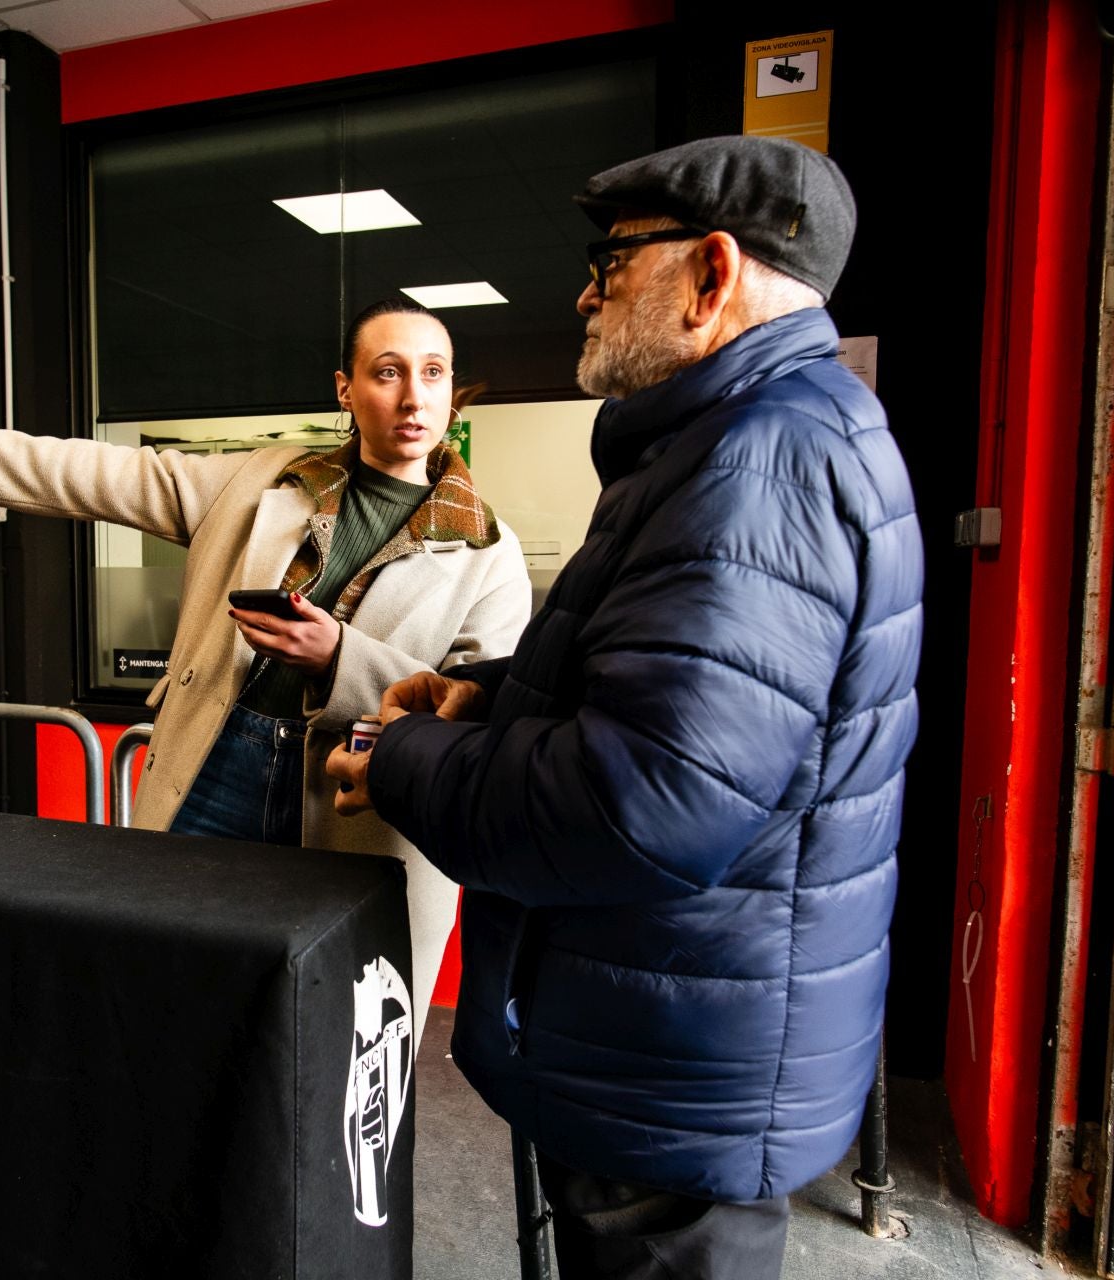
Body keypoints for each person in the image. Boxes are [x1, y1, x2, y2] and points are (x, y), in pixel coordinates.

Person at [327, 136, 923, 1278]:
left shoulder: (762, 462)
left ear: (710, 274)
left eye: (613, 259)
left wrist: (407, 756)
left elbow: (643, 800)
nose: (586, 290)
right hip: (675, 1033)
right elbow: (674, 698)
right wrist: (488, 697)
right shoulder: (747, 435)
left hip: (676, 1073)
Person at [0, 300, 530, 1029]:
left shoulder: (490, 554)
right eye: (388, 373)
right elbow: (109, 475)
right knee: (167, 980)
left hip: (358, 804)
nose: (414, 397)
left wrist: (338, 660)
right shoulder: (263, 480)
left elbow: (471, 714)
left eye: (433, 373)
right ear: (346, 390)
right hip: (223, 758)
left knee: (325, 1028)